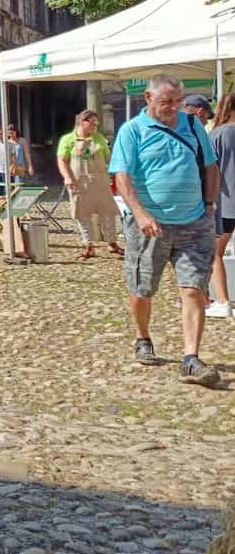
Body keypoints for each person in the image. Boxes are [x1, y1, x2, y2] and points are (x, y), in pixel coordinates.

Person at [109, 72, 221, 387]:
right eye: (165, 102)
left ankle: (190, 358)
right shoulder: (132, 131)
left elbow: (211, 166)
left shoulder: (193, 125)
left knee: (194, 290)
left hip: (194, 222)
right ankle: (143, 337)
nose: (173, 107)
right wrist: (140, 214)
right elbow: (122, 177)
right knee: (142, 290)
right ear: (148, 99)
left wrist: (209, 206)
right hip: (149, 227)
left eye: (177, 101)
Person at [56, 109, 122, 260]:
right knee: (82, 214)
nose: (95, 125)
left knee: (108, 213)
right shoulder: (67, 139)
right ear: (81, 122)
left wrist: (114, 174)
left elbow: (108, 158)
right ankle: (88, 246)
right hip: (79, 182)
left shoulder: (99, 138)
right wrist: (67, 177)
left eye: (96, 122)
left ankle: (112, 243)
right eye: (91, 122)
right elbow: (62, 160)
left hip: (100, 182)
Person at [205, 93, 235, 318]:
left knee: (214, 253)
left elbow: (208, 170)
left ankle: (223, 300)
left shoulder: (218, 134)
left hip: (225, 202)